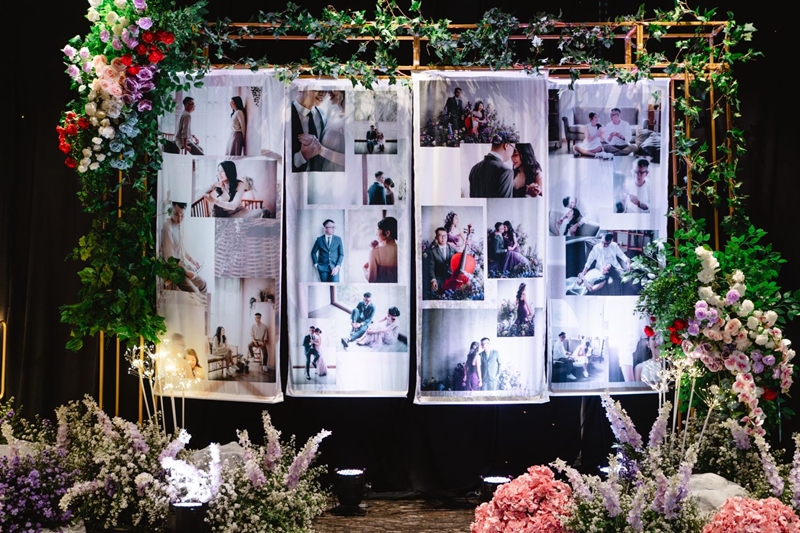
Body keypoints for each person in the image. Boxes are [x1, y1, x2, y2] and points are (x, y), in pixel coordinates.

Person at [160, 202, 207, 294]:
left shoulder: (179, 225)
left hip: (182, 265)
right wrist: (186, 272)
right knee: (194, 292)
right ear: (171, 209)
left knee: (203, 284)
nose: (179, 219)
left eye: (182, 216)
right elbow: (170, 259)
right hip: (174, 269)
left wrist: (192, 260)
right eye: (176, 214)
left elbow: (180, 247)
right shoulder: (167, 227)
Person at [468, 132, 515, 198]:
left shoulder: (474, 168)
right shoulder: (506, 171)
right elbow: (505, 203)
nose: (512, 153)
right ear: (506, 145)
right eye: (513, 149)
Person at [291, 90, 326, 172]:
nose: (323, 93)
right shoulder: (285, 114)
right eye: (317, 88)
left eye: (325, 89)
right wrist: (302, 156)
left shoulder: (322, 115)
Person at [315, 90, 345, 171]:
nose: (329, 92)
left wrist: (320, 150)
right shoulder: (333, 114)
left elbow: (349, 160)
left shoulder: (349, 120)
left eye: (334, 89)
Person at [364, 216, 398, 283]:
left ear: (387, 233)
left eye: (378, 230)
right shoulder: (402, 250)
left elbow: (372, 280)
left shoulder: (374, 252)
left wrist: (364, 269)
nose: (377, 234)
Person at [428, 227, 455, 297]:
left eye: (444, 235)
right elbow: (431, 268)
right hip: (439, 280)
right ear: (436, 237)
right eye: (440, 235)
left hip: (452, 280)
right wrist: (433, 280)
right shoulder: (432, 252)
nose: (443, 238)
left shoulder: (452, 249)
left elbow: (460, 259)